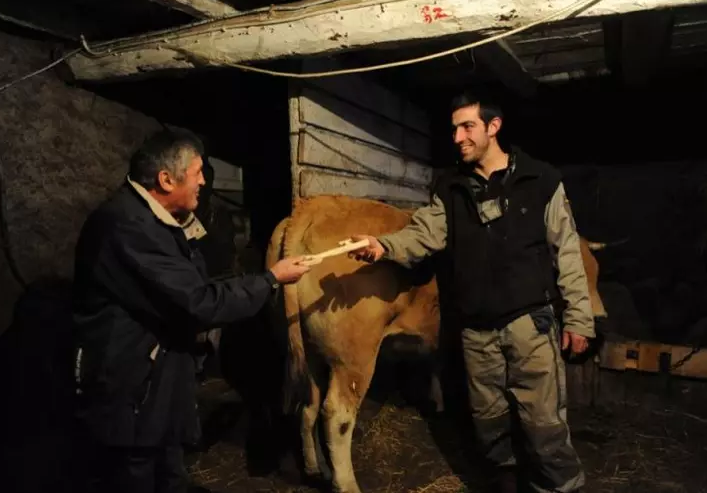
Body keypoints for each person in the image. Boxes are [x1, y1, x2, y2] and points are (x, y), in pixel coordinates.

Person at [349, 90, 594, 493]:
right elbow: (423, 234)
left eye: (467, 127)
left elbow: (567, 252)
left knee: (543, 423)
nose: (457, 137)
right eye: (454, 129)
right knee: (490, 422)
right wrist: (382, 246)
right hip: (476, 332)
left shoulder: (541, 181)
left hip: (529, 326)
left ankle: (561, 488)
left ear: (493, 127)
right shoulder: (451, 189)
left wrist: (580, 319)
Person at [71, 128, 310, 493]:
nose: (203, 180)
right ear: (166, 179)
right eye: (198, 172)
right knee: (136, 468)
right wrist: (271, 280)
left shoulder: (156, 221)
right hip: (130, 382)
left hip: (156, 375)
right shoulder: (127, 228)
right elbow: (198, 301)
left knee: (167, 457)